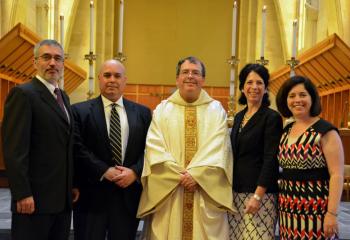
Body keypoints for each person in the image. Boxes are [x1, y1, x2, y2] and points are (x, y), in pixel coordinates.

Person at [137, 56, 236, 239]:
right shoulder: (162, 110)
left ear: (203, 80)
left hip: (204, 192)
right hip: (170, 192)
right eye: (185, 72)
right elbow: (154, 148)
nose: (190, 76)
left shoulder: (216, 110)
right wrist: (179, 175)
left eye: (195, 73)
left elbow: (219, 148)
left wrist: (197, 175)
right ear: (177, 79)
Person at [1, 39, 79, 240]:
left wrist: (72, 184)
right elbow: (14, 150)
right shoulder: (23, 94)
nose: (52, 63)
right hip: (33, 201)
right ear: (35, 62)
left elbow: (66, 146)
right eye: (46, 57)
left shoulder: (63, 96)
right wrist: (22, 193)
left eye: (58, 58)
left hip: (61, 201)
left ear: (63, 64)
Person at [72, 59, 152, 240]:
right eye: (107, 75)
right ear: (99, 79)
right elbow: (77, 148)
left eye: (117, 76)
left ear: (125, 81)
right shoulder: (79, 111)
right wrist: (104, 170)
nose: (112, 80)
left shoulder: (143, 113)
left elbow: (151, 149)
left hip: (128, 196)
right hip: (91, 195)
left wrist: (135, 172)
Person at [276, 76, 344, 240]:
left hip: (316, 209)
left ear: (312, 98)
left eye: (302, 95)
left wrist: (332, 213)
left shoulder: (325, 131)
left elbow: (337, 175)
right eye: (292, 96)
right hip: (288, 208)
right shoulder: (287, 129)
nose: (297, 100)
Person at [228, 63, 283, 239]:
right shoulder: (238, 117)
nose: (254, 87)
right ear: (243, 88)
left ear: (266, 88)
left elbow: (271, 160)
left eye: (259, 83)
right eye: (249, 82)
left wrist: (258, 197)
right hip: (236, 192)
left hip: (261, 195)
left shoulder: (271, 117)